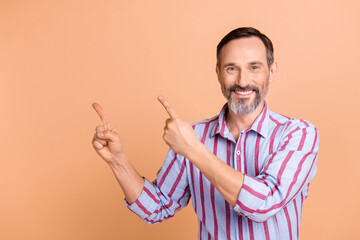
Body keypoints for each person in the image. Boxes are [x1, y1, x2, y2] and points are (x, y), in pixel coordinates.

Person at [92, 27, 319, 240]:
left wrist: (193, 150)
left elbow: (264, 203)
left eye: (254, 67)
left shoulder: (298, 134)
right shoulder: (193, 136)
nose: (242, 81)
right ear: (219, 73)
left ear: (271, 72)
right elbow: (156, 207)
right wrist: (119, 162)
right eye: (232, 68)